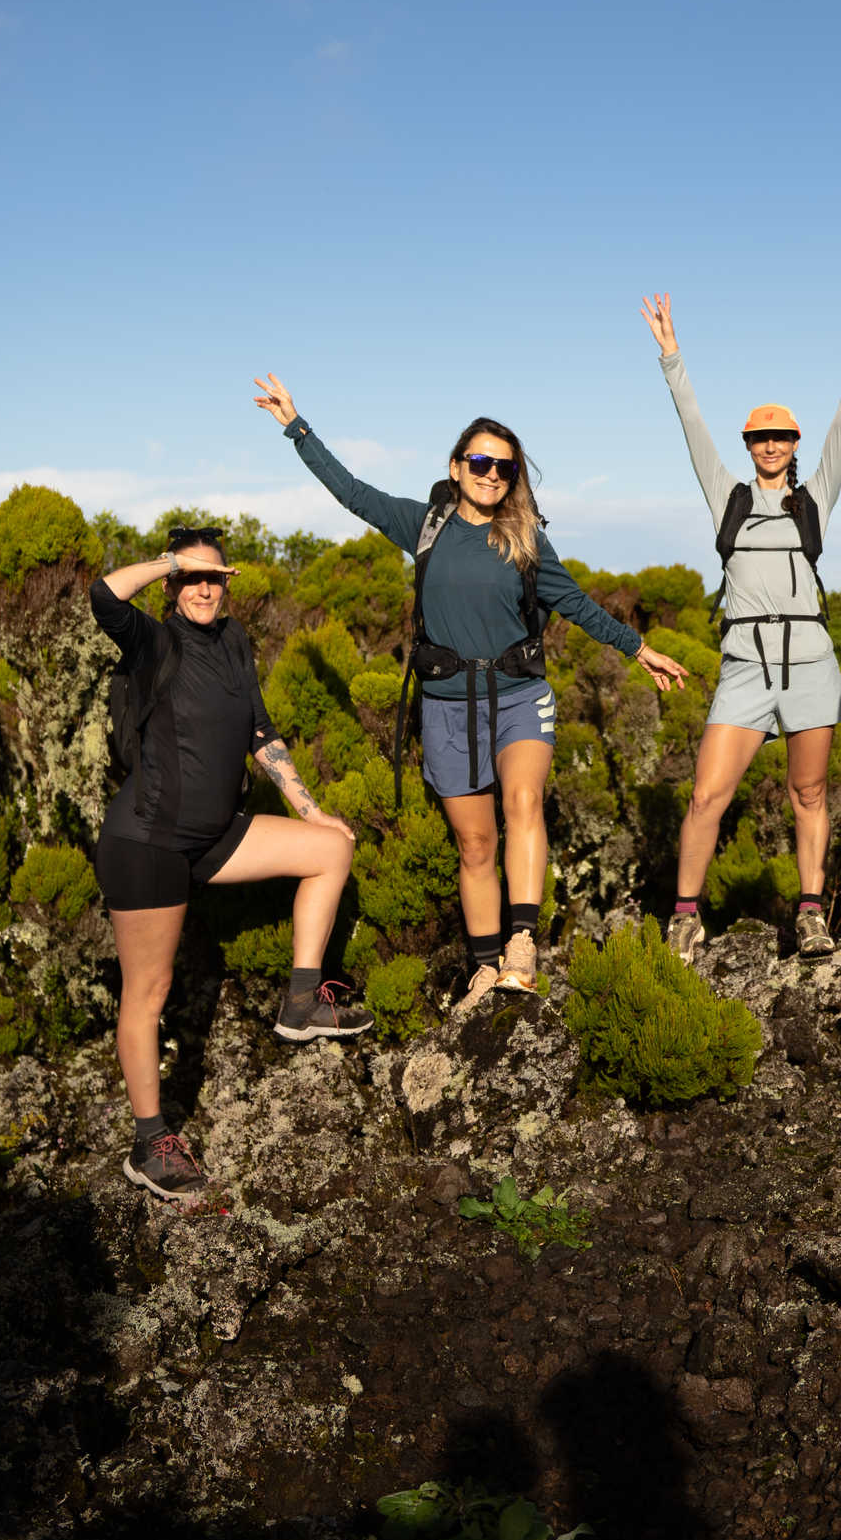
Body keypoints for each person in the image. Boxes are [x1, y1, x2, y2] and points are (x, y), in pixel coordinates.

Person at [253, 377, 689, 1003]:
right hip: (446, 707)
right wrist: (298, 428)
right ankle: (487, 965)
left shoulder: (526, 539)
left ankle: (523, 942)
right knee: (476, 843)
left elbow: (576, 604)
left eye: (503, 468)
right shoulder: (423, 526)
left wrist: (639, 648)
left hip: (519, 697)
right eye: (480, 462)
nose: (491, 475)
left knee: (523, 802)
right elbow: (351, 493)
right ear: (456, 468)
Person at [91, 525, 370, 1203]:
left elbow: (260, 733)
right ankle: (150, 1142)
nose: (204, 587)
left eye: (214, 576)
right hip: (148, 842)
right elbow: (103, 597)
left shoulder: (236, 643)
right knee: (148, 993)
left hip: (215, 837)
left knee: (332, 849)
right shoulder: (156, 640)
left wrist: (309, 808)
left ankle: (302, 1000)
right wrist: (168, 561)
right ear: (173, 585)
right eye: (191, 577)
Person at [639, 293, 841, 961]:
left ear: (794, 446)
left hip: (811, 660)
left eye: (781, 437)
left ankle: (812, 915)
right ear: (749, 445)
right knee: (706, 796)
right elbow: (690, 422)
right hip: (744, 663)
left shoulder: (814, 498)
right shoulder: (727, 495)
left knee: (808, 792)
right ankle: (686, 918)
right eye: (761, 437)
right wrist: (671, 355)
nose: (771, 446)